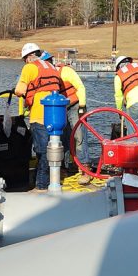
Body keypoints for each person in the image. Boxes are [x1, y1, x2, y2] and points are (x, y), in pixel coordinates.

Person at [13, 42, 68, 191]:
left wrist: (23, 92)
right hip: (55, 117)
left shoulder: (29, 67)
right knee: (52, 150)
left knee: (42, 152)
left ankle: (41, 185)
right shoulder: (52, 67)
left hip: (39, 116)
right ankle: (47, 180)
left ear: (28, 58)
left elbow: (19, 90)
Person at [42, 51, 89, 182]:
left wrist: (82, 107)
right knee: (61, 138)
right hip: (59, 108)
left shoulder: (66, 71)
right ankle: (65, 168)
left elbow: (80, 87)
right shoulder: (46, 76)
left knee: (79, 136)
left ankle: (85, 168)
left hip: (75, 105)